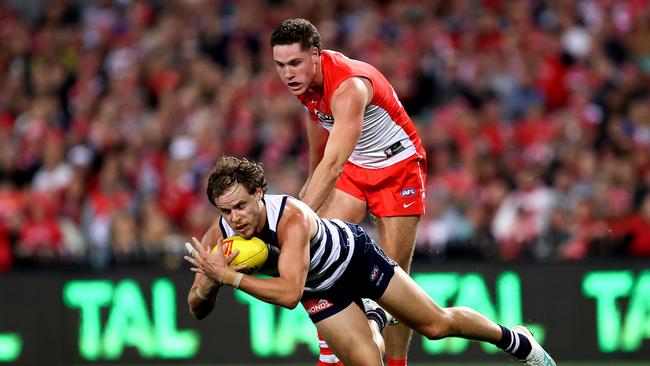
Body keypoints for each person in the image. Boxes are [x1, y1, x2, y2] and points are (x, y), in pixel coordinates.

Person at [184, 156, 557, 366]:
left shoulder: (291, 218)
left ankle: (516, 340)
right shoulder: (221, 235)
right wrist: (208, 286)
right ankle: (373, 317)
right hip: (322, 289)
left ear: (259, 194)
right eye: (226, 210)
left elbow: (288, 294)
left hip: (356, 259)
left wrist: (230, 278)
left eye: (241, 206)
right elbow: (195, 309)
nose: (235, 218)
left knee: (436, 325)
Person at [270, 18, 427, 366]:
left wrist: (290, 220)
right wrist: (308, 196)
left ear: (315, 55)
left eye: (294, 63)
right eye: (280, 65)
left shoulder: (349, 86)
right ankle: (331, 354)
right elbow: (320, 152)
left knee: (396, 282)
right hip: (356, 169)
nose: (287, 73)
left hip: (397, 169)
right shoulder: (305, 87)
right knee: (314, 255)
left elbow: (334, 164)